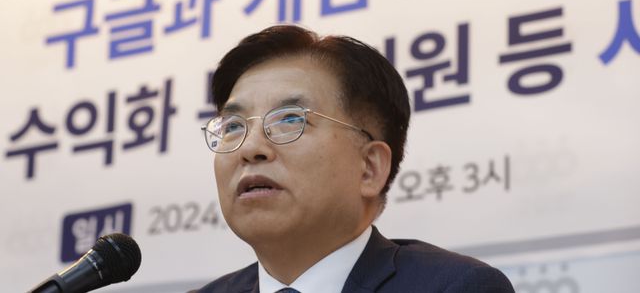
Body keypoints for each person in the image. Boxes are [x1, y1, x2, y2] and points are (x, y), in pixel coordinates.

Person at [192, 25, 514, 293]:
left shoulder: (455, 287)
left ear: (370, 168)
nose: (250, 148)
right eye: (233, 126)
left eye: (290, 119)